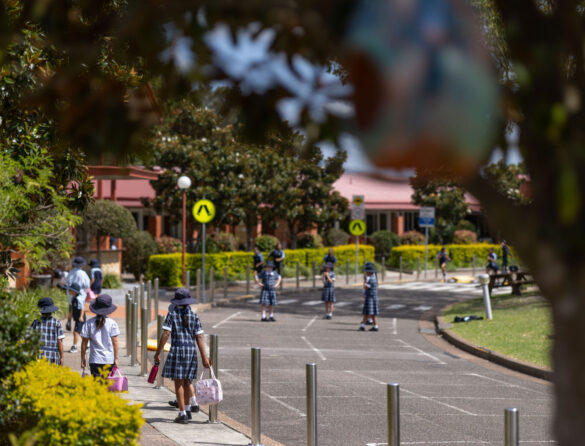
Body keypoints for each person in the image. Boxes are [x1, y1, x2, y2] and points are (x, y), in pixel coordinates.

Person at [154, 288, 211, 424]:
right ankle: (187, 408)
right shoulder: (194, 316)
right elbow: (199, 337)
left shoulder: (172, 315)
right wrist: (204, 358)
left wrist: (158, 352)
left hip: (177, 350)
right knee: (187, 381)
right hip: (191, 351)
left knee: (178, 383)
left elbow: (166, 334)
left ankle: (182, 413)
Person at [80, 294, 120, 378]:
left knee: (96, 383)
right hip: (109, 359)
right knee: (106, 382)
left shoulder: (88, 323)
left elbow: (84, 342)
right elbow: (115, 342)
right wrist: (116, 358)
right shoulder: (112, 323)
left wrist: (83, 358)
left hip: (95, 359)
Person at [30, 297, 65, 365]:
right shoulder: (57, 323)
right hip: (53, 356)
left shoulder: (35, 322)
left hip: (38, 355)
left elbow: (29, 340)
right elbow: (60, 342)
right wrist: (61, 358)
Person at [65, 256, 90, 331]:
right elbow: (87, 284)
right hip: (80, 293)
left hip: (70, 293)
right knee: (80, 307)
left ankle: (69, 320)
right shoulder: (83, 273)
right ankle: (79, 322)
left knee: (71, 307)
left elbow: (67, 282)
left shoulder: (71, 272)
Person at [66, 282, 86, 353]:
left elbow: (82, 308)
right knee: (80, 333)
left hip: (80, 318)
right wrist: (70, 316)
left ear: (74, 291)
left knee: (76, 332)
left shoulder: (78, 299)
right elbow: (72, 308)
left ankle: (74, 346)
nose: (69, 291)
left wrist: (81, 316)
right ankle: (87, 344)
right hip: (76, 318)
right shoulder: (73, 299)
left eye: (70, 290)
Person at [360, 262, 379, 332]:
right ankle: (363, 326)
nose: (366, 273)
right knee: (367, 312)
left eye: (366, 271)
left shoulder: (372, 279)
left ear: (369, 272)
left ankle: (375, 326)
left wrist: (365, 280)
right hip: (370, 297)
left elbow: (365, 287)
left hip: (371, 298)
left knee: (371, 313)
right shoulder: (372, 278)